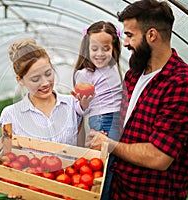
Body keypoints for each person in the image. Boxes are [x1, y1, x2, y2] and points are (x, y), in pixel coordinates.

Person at [85, 0, 188, 199]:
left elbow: (159, 157)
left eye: (130, 35)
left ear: (152, 35)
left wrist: (109, 144)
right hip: (118, 189)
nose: (126, 42)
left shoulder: (183, 84)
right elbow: (125, 128)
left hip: (148, 195)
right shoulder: (134, 74)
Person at [0, 38, 93, 146]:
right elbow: (10, 158)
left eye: (48, 74)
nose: (45, 83)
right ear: (20, 79)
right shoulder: (10, 115)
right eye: (35, 79)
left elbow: (80, 152)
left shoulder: (73, 105)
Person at [72, 21, 123, 200]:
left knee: (110, 164)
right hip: (103, 121)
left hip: (115, 119)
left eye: (106, 48)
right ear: (86, 48)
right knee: (103, 167)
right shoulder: (85, 73)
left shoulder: (112, 67)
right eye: (94, 49)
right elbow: (82, 108)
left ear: (114, 47)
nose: (100, 54)